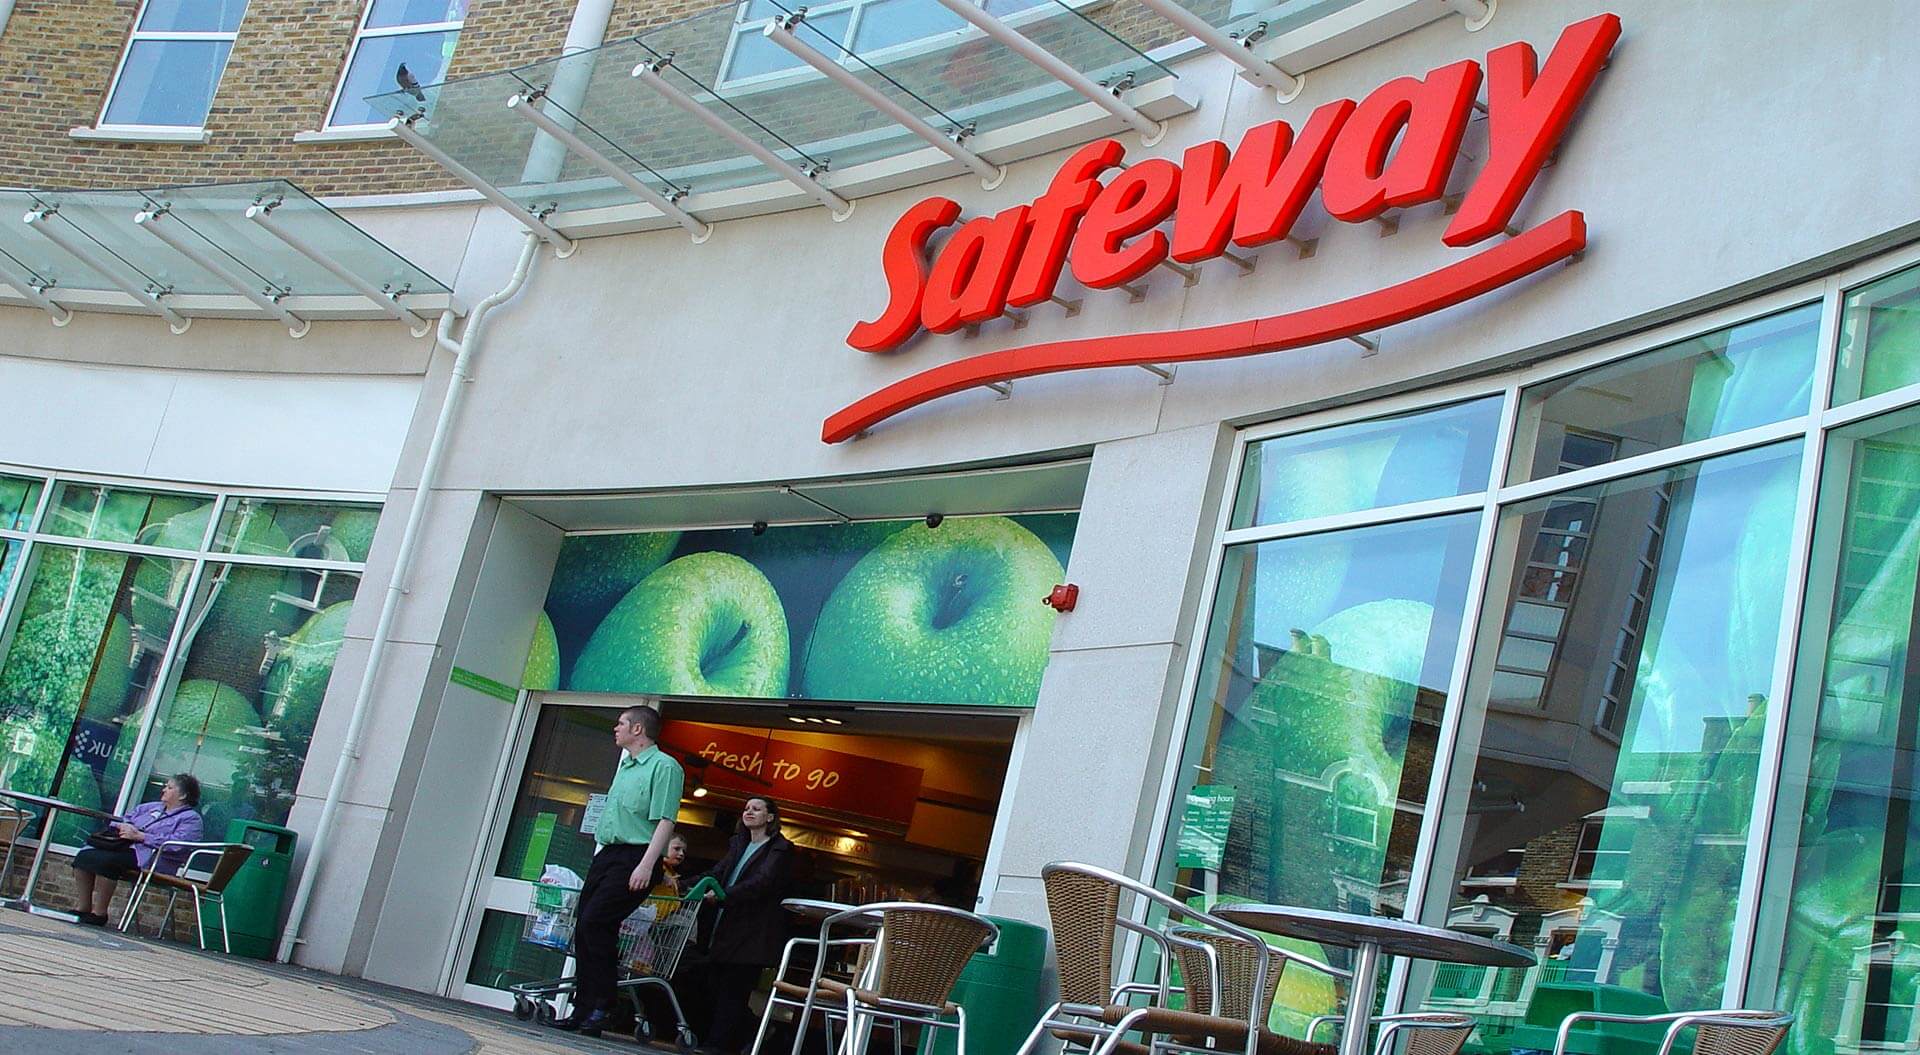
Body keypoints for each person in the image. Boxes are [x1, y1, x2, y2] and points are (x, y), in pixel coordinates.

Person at [555, 703, 684, 1038]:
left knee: (598, 921)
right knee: (586, 925)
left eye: (621, 723)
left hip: (636, 855)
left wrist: (646, 863)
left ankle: (602, 1006)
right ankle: (583, 1007)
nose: (616, 728)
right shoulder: (626, 766)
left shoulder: (664, 766)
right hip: (609, 853)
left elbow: (665, 820)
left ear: (638, 729)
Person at [692, 796, 794, 1054]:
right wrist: (685, 884)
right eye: (747, 808)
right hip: (727, 928)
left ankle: (717, 1045)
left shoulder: (779, 849)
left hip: (753, 933)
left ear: (770, 817)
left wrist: (726, 895)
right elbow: (718, 872)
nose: (749, 812)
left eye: (756, 809)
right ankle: (753, 1031)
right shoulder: (739, 843)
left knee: (733, 990)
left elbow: (762, 882)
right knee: (716, 985)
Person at [70, 773, 204, 927]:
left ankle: (99, 913)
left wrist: (142, 837)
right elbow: (125, 819)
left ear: (183, 795)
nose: (164, 790)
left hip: (153, 858)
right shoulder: (151, 807)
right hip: (125, 847)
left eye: (170, 787)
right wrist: (125, 827)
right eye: (165, 786)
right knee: (84, 855)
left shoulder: (191, 819)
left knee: (107, 862)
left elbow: (179, 845)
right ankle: (83, 907)